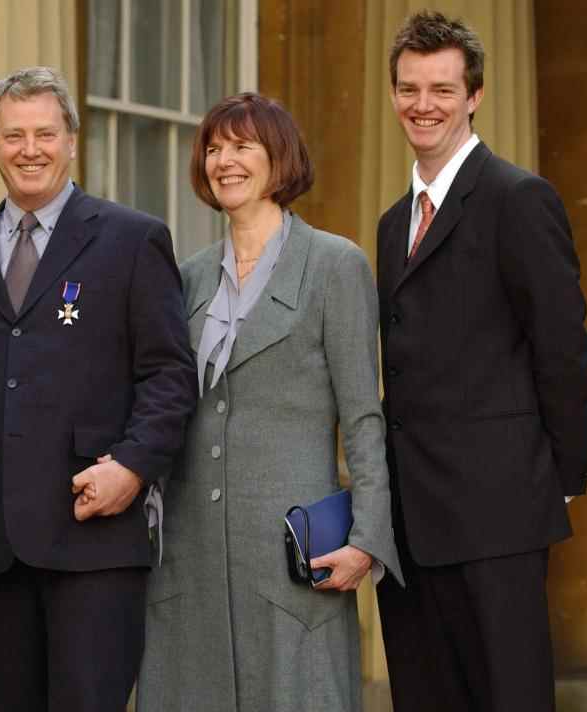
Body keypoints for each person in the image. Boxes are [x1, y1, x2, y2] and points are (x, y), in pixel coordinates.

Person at [137, 92, 403, 712]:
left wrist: (367, 537)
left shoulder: (336, 265)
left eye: (242, 146)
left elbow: (365, 415)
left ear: (279, 158)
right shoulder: (188, 276)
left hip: (291, 563)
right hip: (189, 561)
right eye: (213, 148)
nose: (223, 161)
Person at [0, 66, 196, 712]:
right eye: (12, 136)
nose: (29, 149)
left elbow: (169, 374)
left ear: (70, 141)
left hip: (93, 541)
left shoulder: (130, 239)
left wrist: (135, 466)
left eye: (44, 133)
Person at [375, 11, 587, 712]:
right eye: (409, 89)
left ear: (473, 95)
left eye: (441, 89)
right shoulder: (391, 223)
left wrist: (554, 481)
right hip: (410, 517)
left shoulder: (518, 199)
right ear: (391, 95)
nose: (422, 105)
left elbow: (563, 350)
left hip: (497, 508)